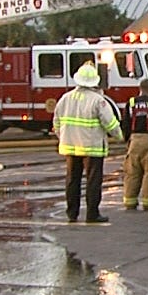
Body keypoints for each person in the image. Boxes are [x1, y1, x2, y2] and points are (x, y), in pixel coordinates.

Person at [53, 63, 123, 223]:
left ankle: (72, 213)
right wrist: (120, 136)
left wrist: (63, 137)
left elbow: (56, 123)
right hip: (92, 148)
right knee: (93, 181)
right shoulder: (98, 100)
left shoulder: (65, 98)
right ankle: (92, 214)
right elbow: (110, 123)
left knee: (72, 180)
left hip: (70, 147)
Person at [121, 78, 148, 211]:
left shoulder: (131, 103)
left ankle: (130, 201)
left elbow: (125, 123)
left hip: (134, 140)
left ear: (140, 89)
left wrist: (127, 139)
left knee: (132, 172)